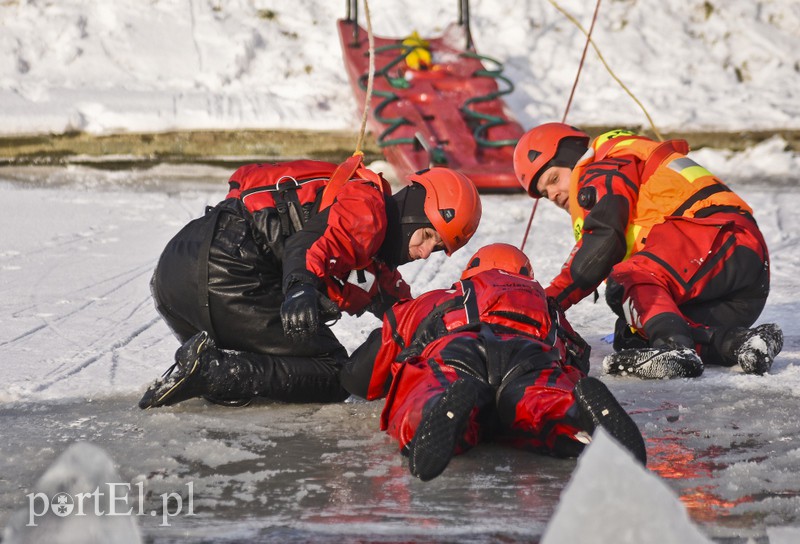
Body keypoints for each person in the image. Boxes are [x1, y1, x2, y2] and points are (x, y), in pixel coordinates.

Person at [138, 155, 482, 409]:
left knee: (269, 373)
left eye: (435, 250)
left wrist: (448, 346)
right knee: (332, 373)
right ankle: (213, 371)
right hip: (228, 268)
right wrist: (301, 287)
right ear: (413, 210)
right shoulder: (368, 210)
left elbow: (404, 313)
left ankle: (212, 370)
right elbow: (308, 245)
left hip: (174, 275)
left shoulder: (374, 264)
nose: (423, 253)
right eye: (426, 235)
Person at [340, 243, 647, 481]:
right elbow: (576, 357)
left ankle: (438, 409)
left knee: (428, 388)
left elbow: (367, 366)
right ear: (526, 274)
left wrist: (355, 376)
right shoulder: (545, 304)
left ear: (470, 271)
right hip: (530, 355)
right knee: (540, 403)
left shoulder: (443, 296)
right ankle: (573, 416)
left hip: (458, 349)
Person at [512, 124, 783, 379]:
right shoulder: (617, 169)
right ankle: (741, 344)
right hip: (738, 272)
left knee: (626, 278)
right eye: (545, 193)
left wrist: (546, 303)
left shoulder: (602, 168)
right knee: (632, 333)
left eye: (554, 178)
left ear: (572, 157)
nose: (553, 194)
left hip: (720, 239)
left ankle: (674, 349)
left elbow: (604, 240)